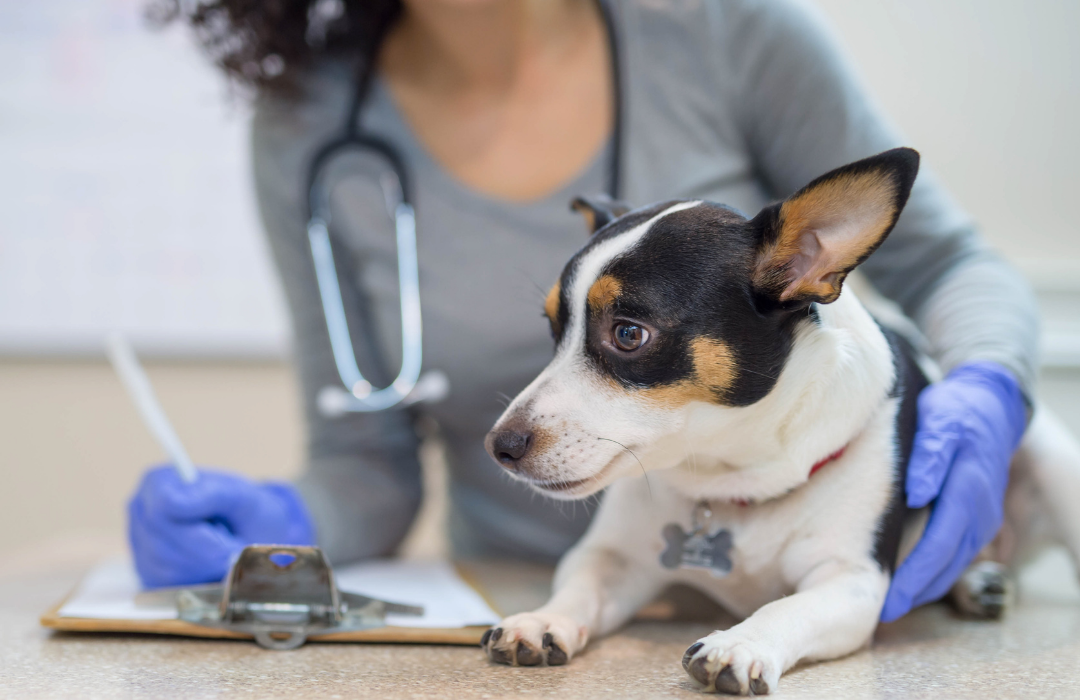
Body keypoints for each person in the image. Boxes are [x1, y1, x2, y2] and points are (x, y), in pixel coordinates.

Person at [129, 0, 1035, 623]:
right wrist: (279, 530)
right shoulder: (307, 119)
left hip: (803, 565)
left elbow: (952, 264)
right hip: (538, 601)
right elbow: (365, 460)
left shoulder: (721, 29)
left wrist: (989, 386)